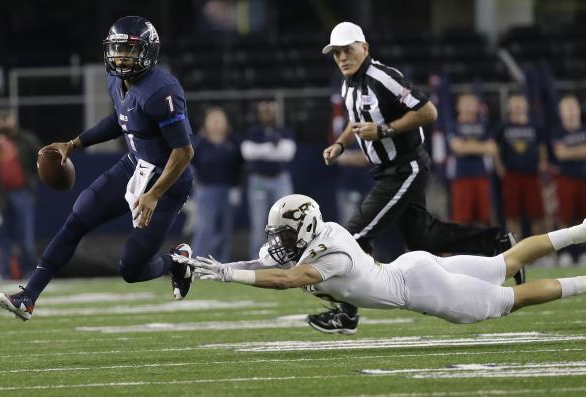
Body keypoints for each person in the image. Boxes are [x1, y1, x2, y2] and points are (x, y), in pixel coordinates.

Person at [316, 22, 521, 334]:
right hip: (386, 171)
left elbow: (428, 112)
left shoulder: (382, 77)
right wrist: (341, 143)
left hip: (404, 168)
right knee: (423, 238)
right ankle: (496, 242)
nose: (343, 57)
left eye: (348, 49)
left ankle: (347, 314)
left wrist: (384, 130)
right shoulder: (348, 84)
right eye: (337, 53)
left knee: (354, 238)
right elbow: (357, 119)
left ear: (365, 48)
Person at [0, 16, 194, 321]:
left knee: (131, 269)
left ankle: (177, 263)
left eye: (129, 50)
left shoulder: (161, 90)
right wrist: (73, 144)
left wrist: (154, 194)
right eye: (116, 49)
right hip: (134, 165)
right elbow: (121, 120)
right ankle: (28, 296)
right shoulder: (116, 79)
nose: (121, 57)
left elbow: (183, 151)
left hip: (168, 181)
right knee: (79, 215)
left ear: (148, 52)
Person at [175, 194, 586, 328]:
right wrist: (216, 269)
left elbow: (286, 279)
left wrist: (227, 275)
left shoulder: (331, 250)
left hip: (420, 287)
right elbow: (264, 263)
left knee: (507, 300)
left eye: (283, 234)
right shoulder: (311, 238)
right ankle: (580, 231)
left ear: (304, 228)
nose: (278, 243)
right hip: (412, 268)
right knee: (504, 262)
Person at [0, 109, 41, 280]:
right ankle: (5, 272)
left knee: (26, 235)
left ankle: (29, 271)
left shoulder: (25, 139)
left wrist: (33, 184)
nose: (5, 123)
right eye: (1, 120)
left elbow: (40, 157)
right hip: (0, 196)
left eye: (7, 119)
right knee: (3, 237)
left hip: (22, 193)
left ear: (13, 120)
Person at [242, 100, 296, 257]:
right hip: (259, 180)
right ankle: (257, 262)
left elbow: (287, 153)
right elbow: (247, 153)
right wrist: (271, 148)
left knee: (284, 222)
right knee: (259, 224)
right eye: (265, 111)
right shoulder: (253, 131)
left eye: (271, 111)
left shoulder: (284, 130)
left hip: (281, 180)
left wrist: (261, 151)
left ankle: (285, 261)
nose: (268, 114)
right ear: (259, 113)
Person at [191, 107, 243, 262]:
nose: (216, 122)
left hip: (229, 190)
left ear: (226, 123)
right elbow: (188, 165)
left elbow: (242, 167)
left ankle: (221, 265)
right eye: (212, 118)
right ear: (206, 123)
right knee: (204, 228)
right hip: (206, 190)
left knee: (225, 230)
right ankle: (197, 263)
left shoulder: (234, 143)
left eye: (219, 118)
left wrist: (238, 188)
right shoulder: (199, 143)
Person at [494, 93, 548, 239]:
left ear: (526, 105)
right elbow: (495, 149)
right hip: (511, 175)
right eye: (514, 103)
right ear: (509, 106)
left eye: (520, 102)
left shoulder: (535, 125)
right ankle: (515, 249)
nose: (517, 106)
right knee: (512, 215)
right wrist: (499, 167)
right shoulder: (503, 126)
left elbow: (541, 147)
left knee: (537, 214)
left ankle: (539, 252)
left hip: (532, 175)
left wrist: (543, 164)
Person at [446, 93, 498, 225]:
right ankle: (462, 246)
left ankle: (482, 246)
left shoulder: (484, 124)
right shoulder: (453, 124)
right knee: (461, 218)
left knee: (483, 217)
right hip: (461, 176)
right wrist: (481, 147)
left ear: (477, 106)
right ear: (458, 106)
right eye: (465, 102)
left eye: (472, 102)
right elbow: (457, 147)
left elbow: (492, 148)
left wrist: (466, 147)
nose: (469, 106)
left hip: (482, 175)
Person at [552, 95, 586, 266]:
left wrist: (570, 151)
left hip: (584, 179)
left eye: (574, 107)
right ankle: (564, 253)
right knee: (564, 218)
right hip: (566, 179)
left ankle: (582, 253)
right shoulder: (558, 132)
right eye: (567, 108)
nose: (572, 112)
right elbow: (561, 154)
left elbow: (566, 153)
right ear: (561, 113)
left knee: (583, 219)